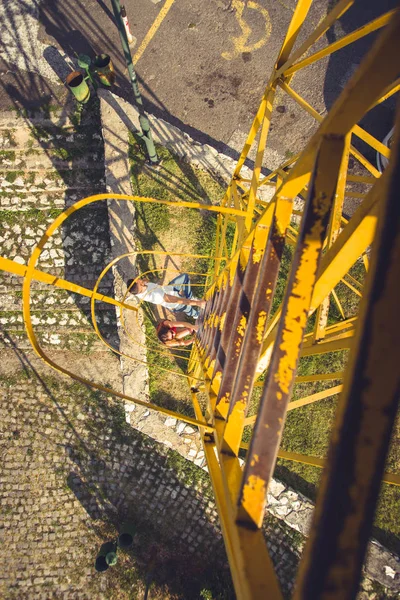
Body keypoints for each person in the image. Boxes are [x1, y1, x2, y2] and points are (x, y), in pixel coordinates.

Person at [127, 273, 205, 319]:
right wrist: (197, 303)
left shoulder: (139, 289)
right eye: (137, 279)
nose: (137, 277)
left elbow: (146, 281)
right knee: (188, 308)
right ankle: (196, 315)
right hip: (176, 304)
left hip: (170, 289)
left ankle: (190, 297)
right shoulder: (155, 295)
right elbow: (177, 300)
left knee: (184, 277)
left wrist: (143, 281)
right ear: (138, 283)